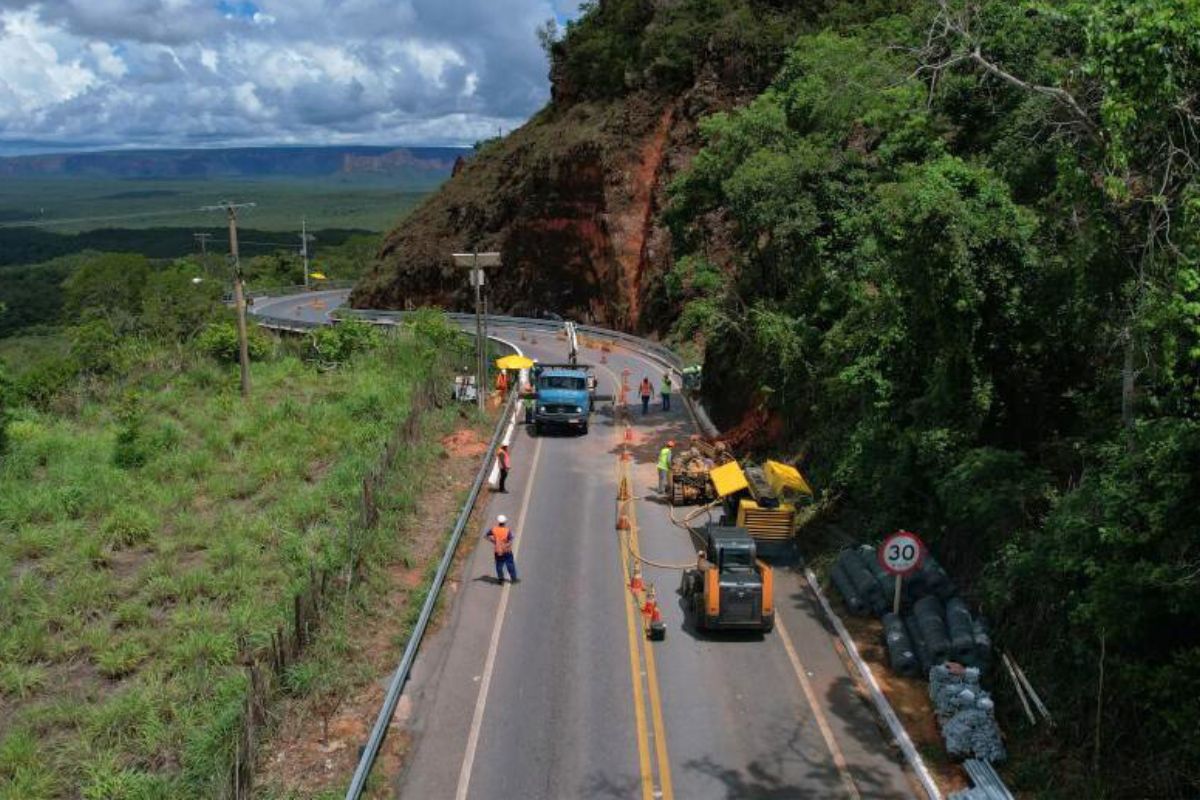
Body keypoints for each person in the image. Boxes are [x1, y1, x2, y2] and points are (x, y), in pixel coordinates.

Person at [486, 514, 518, 584]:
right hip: (506, 550)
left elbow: (487, 536)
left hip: (498, 550)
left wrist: (494, 541)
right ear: (505, 522)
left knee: (499, 565)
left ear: (498, 522)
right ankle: (513, 579)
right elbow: (511, 538)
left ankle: (501, 579)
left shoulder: (493, 529)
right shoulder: (507, 530)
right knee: (510, 564)